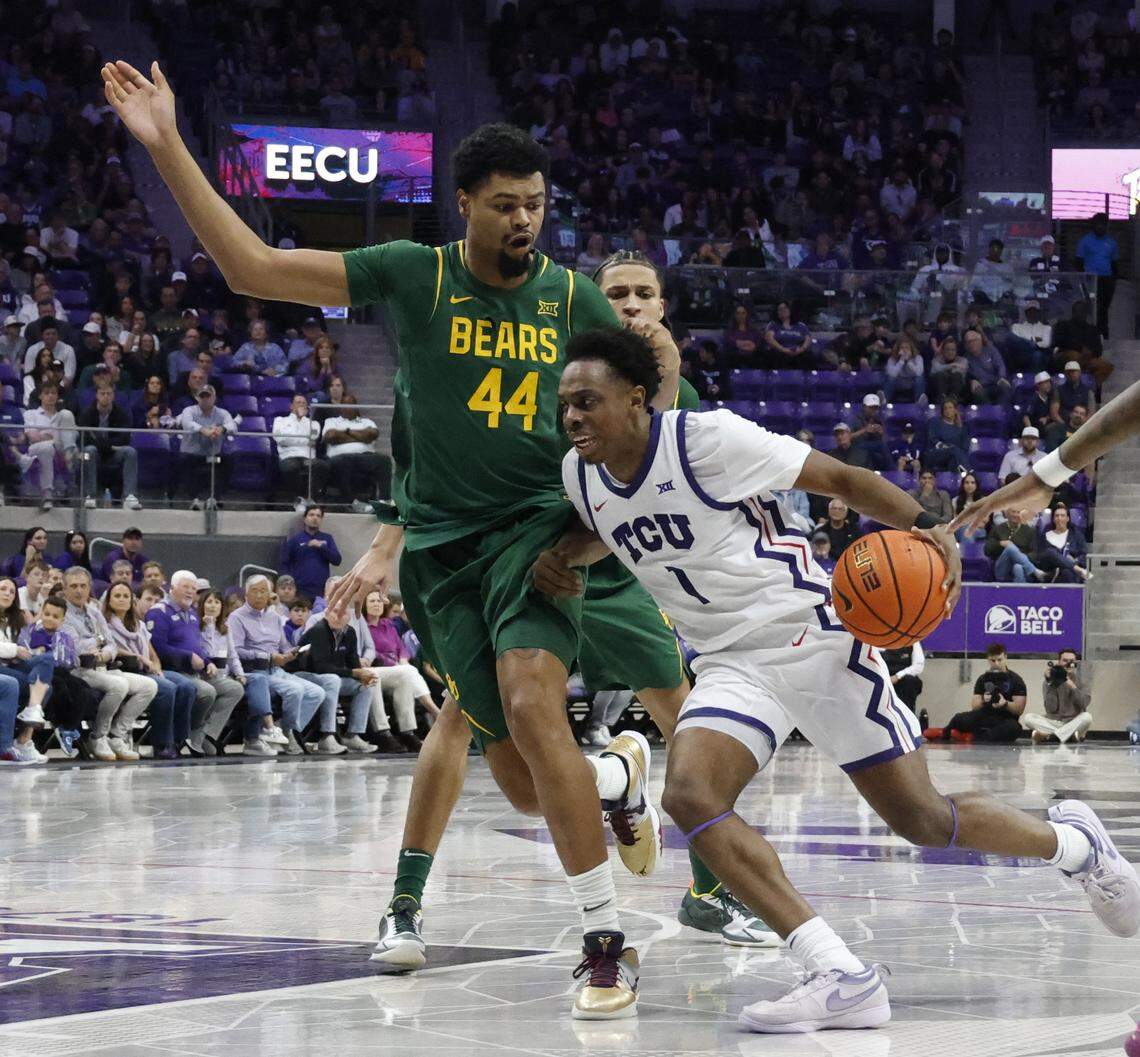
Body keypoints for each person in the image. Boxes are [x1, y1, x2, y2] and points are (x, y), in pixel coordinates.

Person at [106, 70, 701, 1012]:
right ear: (462, 204)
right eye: (504, 205)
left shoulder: (575, 299)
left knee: (534, 700)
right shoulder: (412, 274)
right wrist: (166, 146)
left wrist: (660, 379)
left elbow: (651, 408)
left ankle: (603, 942)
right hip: (442, 551)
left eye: (536, 206)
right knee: (518, 781)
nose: (523, 222)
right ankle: (610, 775)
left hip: (536, 536)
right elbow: (252, 269)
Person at [533, 325, 1138, 1031]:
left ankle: (1075, 845)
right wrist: (566, 554)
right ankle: (839, 973)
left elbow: (843, 480)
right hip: (729, 662)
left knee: (921, 819)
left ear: (635, 399)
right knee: (692, 795)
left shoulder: (707, 440)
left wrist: (931, 535)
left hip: (811, 635)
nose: (572, 416)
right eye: (565, 404)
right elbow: (623, 520)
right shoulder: (581, 473)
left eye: (587, 400)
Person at [60, 566, 157, 762]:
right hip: (78, 670)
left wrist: (105, 653)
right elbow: (75, 646)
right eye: (74, 586)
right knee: (119, 685)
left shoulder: (94, 612)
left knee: (149, 686)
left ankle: (116, 734)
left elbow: (111, 643)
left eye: (83, 586)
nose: (79, 590)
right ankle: (98, 736)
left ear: (89, 588)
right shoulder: (62, 613)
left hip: (103, 666)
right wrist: (97, 641)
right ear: (65, 589)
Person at [148, 569, 246, 756]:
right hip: (172, 670)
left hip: (197, 671)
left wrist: (207, 661)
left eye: (193, 588)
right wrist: (187, 657)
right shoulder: (159, 612)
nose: (190, 592)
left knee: (234, 689)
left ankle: (202, 735)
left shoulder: (192, 614)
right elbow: (157, 646)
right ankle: (181, 737)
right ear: (172, 588)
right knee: (206, 692)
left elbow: (197, 647)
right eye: (185, 587)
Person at [228, 575, 324, 755]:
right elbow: (237, 651)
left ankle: (287, 730)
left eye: (263, 591)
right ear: (246, 594)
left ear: (269, 594)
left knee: (317, 693)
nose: (259, 595)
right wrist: (269, 657)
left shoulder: (273, 616)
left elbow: (283, 645)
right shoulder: (236, 617)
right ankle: (284, 735)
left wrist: (292, 652)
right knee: (295, 690)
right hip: (255, 671)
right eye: (254, 591)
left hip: (277, 669)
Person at [104, 582, 194, 759]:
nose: (122, 599)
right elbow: (112, 647)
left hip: (146, 670)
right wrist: (139, 658)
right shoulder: (105, 623)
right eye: (117, 596)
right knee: (167, 689)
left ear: (132, 601)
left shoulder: (138, 624)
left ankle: (178, 740)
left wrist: (157, 667)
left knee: (187, 686)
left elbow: (152, 652)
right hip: (123, 669)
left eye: (125, 596)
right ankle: (161, 744)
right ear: (108, 600)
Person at [293, 603, 379, 755]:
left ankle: (353, 735)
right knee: (333, 680)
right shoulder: (319, 631)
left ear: (349, 617)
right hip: (303, 676)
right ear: (326, 614)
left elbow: (353, 663)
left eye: (343, 612)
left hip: (330, 678)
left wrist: (362, 674)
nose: (338, 616)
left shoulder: (350, 632)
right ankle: (327, 736)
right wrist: (354, 673)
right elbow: (321, 667)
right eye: (334, 612)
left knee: (367, 684)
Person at [362, 590, 434, 752]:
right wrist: (392, 663)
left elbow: (401, 648)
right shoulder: (361, 625)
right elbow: (369, 652)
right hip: (372, 668)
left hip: (393, 670)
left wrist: (402, 661)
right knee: (375, 675)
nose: (376, 604)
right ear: (364, 605)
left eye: (379, 601)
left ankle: (407, 731)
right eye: (372, 601)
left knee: (407, 673)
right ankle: (383, 731)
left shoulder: (388, 625)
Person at [0, 576, 53, 763]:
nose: (7, 593)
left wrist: (31, 650)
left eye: (12, 591)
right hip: (4, 667)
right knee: (14, 684)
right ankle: (4, 748)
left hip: (10, 664)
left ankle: (24, 738)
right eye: (3, 589)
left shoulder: (13, 619)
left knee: (46, 660)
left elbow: (26, 644)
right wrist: (14, 650)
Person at [930, 644, 1026, 744]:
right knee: (958, 718)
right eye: (993, 660)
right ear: (988, 660)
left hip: (1005, 718)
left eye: (999, 660)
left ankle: (974, 737)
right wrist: (984, 700)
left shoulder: (1016, 680)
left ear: (1005, 657)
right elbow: (974, 705)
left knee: (1014, 728)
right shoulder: (983, 679)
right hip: (984, 715)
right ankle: (947, 733)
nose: (996, 663)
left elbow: (1019, 709)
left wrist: (1005, 703)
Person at [193, 587, 248, 754]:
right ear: (202, 605)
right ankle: (199, 733)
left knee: (236, 688)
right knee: (223, 691)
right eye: (209, 601)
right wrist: (209, 626)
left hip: (221, 675)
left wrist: (240, 673)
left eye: (217, 602)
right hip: (202, 675)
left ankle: (208, 734)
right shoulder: (197, 626)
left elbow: (232, 654)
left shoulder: (225, 628)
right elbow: (207, 652)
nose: (213, 605)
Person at [78, 384, 142, 511]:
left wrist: (106, 445)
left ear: (113, 396)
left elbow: (124, 438)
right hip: (94, 453)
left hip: (114, 453)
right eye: (102, 393)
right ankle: (90, 496)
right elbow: (84, 438)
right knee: (87, 451)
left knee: (131, 451)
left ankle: (129, 496)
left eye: (109, 394)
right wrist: (106, 445)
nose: (105, 397)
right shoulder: (87, 413)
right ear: (97, 395)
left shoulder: (121, 414)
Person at [319, 395, 386, 509]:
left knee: (384, 460)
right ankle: (352, 502)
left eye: (351, 404)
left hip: (364, 458)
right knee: (344, 461)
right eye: (345, 404)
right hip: (339, 459)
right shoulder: (331, 421)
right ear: (340, 407)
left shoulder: (367, 421)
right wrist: (360, 436)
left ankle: (384, 501)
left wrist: (346, 432)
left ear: (356, 407)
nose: (348, 407)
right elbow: (331, 436)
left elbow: (372, 434)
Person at [177, 384, 236, 508]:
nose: (205, 399)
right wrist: (203, 430)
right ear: (197, 398)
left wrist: (222, 429)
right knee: (183, 461)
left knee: (228, 462)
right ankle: (195, 500)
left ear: (214, 398)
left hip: (212, 458)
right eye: (202, 396)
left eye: (208, 396)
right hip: (192, 456)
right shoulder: (189, 410)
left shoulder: (222, 413)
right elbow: (187, 423)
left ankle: (214, 499)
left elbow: (233, 426)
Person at [21, 381, 78, 510]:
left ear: (57, 396)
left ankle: (69, 455)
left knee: (67, 413)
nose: (51, 396)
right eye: (47, 393)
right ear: (40, 396)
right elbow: (33, 437)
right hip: (35, 449)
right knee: (47, 448)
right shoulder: (30, 414)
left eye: (53, 393)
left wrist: (47, 434)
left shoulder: (61, 416)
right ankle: (47, 494)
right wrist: (53, 435)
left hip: (58, 447)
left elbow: (74, 435)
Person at [1020, 648, 1092, 745]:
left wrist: (1073, 687)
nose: (1068, 664)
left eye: (1071, 661)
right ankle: (1069, 736)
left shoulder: (1082, 681)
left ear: (1075, 664)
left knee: (1087, 717)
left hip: (1073, 721)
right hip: (1054, 721)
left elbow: (1084, 704)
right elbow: (1051, 709)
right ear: (1059, 662)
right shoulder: (1049, 682)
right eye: (1065, 661)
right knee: (1028, 718)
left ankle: (1050, 736)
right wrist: (1051, 684)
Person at [273, 393, 328, 509]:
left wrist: (302, 420)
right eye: (298, 402)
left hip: (308, 457)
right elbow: (281, 439)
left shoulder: (313, 423)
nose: (301, 405)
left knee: (321, 466)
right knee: (291, 467)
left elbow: (313, 438)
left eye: (304, 403)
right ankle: (299, 498)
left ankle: (308, 498)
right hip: (288, 456)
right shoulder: (280, 420)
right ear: (291, 406)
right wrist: (304, 439)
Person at [278, 505, 341, 602]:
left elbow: (337, 560)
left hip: (321, 591)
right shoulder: (295, 540)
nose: (315, 518)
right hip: (299, 591)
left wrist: (321, 547)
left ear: (321, 519)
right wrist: (289, 585)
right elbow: (284, 563)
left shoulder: (327, 538)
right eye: (311, 515)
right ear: (304, 518)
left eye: (318, 516)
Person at [1076, 213, 1117, 338]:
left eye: (1103, 224)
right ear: (1093, 225)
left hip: (1107, 280)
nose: (1100, 227)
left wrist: (1113, 281)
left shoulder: (1111, 242)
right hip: (1090, 279)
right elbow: (1079, 262)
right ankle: (1089, 335)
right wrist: (1083, 280)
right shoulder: (1085, 241)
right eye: (1098, 224)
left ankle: (1104, 335)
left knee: (1103, 308)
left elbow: (1115, 263)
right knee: (1091, 308)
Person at [985, 506, 1043, 582]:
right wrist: (1000, 543)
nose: (1015, 515)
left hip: (1023, 569)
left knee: (1017, 567)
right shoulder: (997, 529)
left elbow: (1035, 554)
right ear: (1007, 514)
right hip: (1002, 569)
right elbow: (987, 550)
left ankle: (1021, 592)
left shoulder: (1029, 531)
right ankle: (1035, 571)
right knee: (1009, 547)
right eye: (1013, 512)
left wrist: (1019, 556)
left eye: (1018, 512)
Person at [1037, 504, 1089, 582]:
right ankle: (1078, 570)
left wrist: (1075, 560)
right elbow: (1041, 554)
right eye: (1057, 516)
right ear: (1053, 519)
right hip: (1050, 570)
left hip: (1069, 572)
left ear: (1067, 518)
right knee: (1050, 552)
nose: (1059, 518)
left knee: (1066, 572)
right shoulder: (1046, 534)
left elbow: (1084, 555)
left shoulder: (1076, 534)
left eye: (1062, 516)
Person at [953, 472, 990, 541]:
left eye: (973, 483)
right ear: (963, 485)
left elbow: (985, 520)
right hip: (960, 530)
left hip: (978, 529)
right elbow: (956, 521)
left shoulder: (983, 500)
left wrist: (967, 520)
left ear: (976, 485)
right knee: (965, 532)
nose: (969, 485)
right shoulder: (955, 501)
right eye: (967, 483)